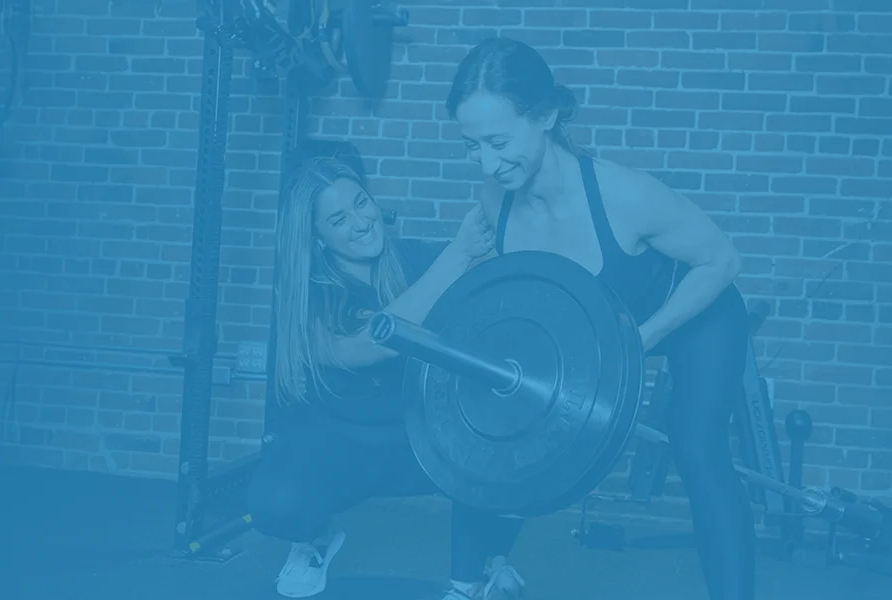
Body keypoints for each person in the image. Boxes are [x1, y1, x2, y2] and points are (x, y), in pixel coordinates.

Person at [447, 37, 758, 600]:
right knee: (503, 419)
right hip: (614, 329)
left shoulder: (625, 194)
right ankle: (478, 576)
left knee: (697, 450)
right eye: (472, 147)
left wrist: (640, 341)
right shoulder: (498, 198)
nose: (489, 163)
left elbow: (722, 261)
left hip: (697, 315)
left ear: (544, 115)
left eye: (497, 142)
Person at [245, 150, 530, 600]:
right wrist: (458, 253)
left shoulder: (414, 261)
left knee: (504, 449)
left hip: (412, 440)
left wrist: (501, 155)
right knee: (275, 507)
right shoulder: (311, 295)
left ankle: (474, 577)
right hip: (334, 443)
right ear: (318, 237)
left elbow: (493, 223)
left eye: (361, 203)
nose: (360, 222)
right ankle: (314, 541)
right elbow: (369, 344)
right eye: (338, 219)